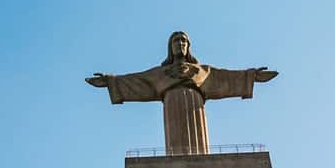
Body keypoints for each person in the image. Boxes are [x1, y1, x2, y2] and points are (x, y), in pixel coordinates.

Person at [85, 30, 277, 105]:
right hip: (172, 107)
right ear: (170, 47)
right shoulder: (159, 74)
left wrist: (252, 76)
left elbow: (226, 77)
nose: (180, 44)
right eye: (176, 41)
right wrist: (110, 81)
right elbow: (135, 80)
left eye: (183, 41)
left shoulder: (203, 71)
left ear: (188, 46)